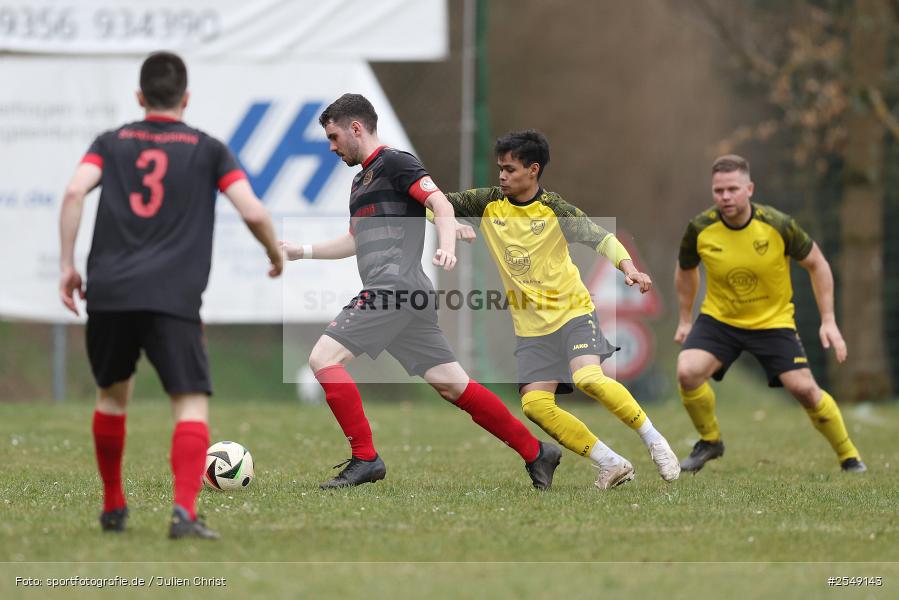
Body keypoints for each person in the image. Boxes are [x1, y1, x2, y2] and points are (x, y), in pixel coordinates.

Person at [280, 94, 561, 490]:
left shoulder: (396, 162)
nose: (331, 146)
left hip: (393, 290)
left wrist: (445, 245)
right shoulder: (360, 182)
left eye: (334, 136)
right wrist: (303, 252)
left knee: (324, 358)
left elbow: (440, 204)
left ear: (356, 128)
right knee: (454, 385)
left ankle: (365, 458)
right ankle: (537, 453)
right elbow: (355, 241)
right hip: (407, 299)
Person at [58, 52, 283, 540]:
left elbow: (75, 193)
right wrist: (274, 253)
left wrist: (67, 266)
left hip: (110, 293)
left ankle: (113, 505)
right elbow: (253, 211)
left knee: (112, 398)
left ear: (140, 98)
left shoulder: (110, 142)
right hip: (172, 298)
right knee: (189, 403)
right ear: (186, 98)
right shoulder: (208, 149)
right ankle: (183, 513)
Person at [443, 130, 681, 489]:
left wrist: (629, 269)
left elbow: (601, 237)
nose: (502, 177)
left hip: (572, 313)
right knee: (535, 406)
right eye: (500, 169)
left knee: (588, 379)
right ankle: (611, 462)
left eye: (509, 169)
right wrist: (452, 224)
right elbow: (434, 204)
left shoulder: (555, 209)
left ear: (533, 170)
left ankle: (654, 440)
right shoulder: (489, 203)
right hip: (531, 329)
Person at [674, 154, 865, 473]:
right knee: (687, 371)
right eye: (718, 191)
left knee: (804, 390)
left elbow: (818, 264)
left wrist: (828, 320)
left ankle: (849, 456)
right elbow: (685, 270)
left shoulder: (778, 224)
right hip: (720, 320)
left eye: (732, 189)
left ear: (749, 188)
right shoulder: (700, 228)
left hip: (772, 322)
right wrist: (684, 318)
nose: (725, 197)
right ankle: (710, 441)